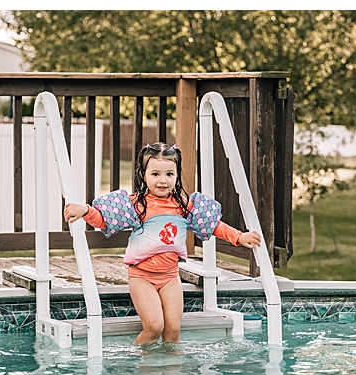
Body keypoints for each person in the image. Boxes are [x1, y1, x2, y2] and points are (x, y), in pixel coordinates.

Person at [63, 142, 262, 352]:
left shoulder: (185, 206)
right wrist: (85, 210)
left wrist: (239, 237)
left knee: (173, 332)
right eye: (155, 174)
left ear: (177, 176)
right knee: (154, 327)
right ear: (143, 175)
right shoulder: (137, 205)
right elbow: (104, 219)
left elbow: (213, 225)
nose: (162, 180)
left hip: (170, 277)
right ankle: (143, 371)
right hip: (142, 277)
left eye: (169, 174)